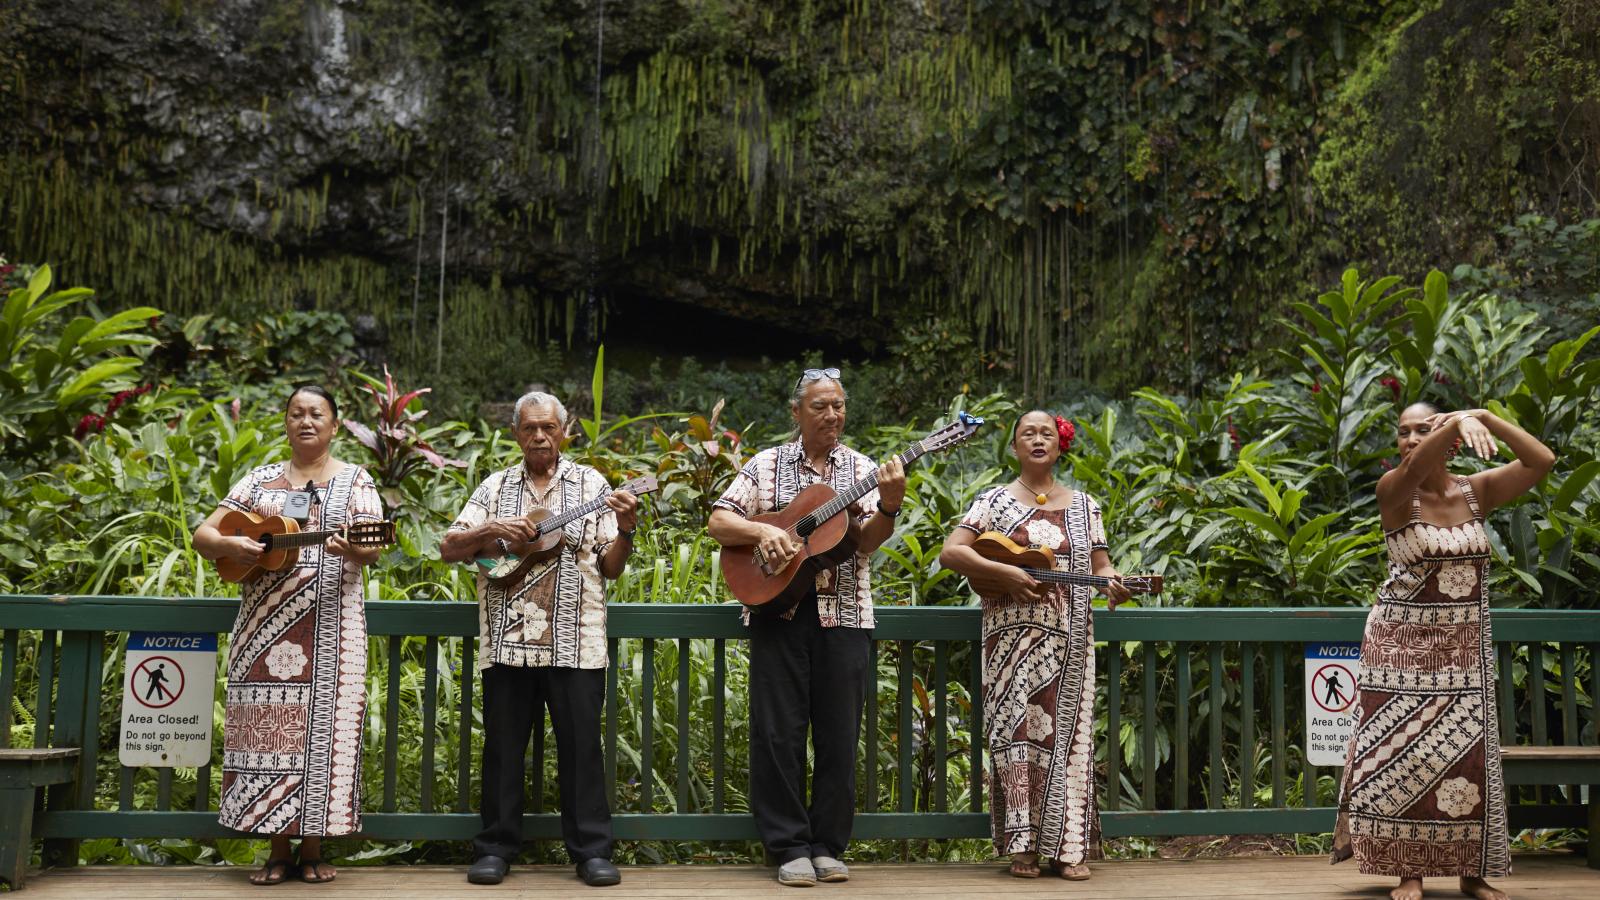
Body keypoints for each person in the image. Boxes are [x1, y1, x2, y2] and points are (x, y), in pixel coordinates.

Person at [1332, 402, 1555, 900]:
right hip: (1399, 647)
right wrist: (1453, 423)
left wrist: (1485, 416)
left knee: (1468, 762)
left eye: (1422, 429)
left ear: (1451, 441)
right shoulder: (1394, 491)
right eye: (1403, 432)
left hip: (1464, 647)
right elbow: (1413, 469)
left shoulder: (1476, 492)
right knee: (1402, 760)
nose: (1410, 439)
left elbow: (1542, 461)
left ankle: (1472, 873)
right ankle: (1408, 870)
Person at [706, 367, 906, 887]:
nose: (832, 415)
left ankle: (828, 845)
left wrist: (888, 503)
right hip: (778, 613)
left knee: (840, 735)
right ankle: (788, 846)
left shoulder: (862, 468)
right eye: (820, 406)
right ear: (796, 413)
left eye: (838, 405)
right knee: (778, 735)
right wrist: (762, 532)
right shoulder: (765, 464)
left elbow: (866, 543)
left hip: (846, 617)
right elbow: (719, 520)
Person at [440, 391, 639, 888]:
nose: (539, 436)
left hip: (577, 641)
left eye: (548, 427)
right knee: (504, 749)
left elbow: (610, 568)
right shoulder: (494, 487)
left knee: (581, 749)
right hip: (507, 643)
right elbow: (449, 548)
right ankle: (495, 848)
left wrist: (628, 530)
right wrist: (488, 526)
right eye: (529, 428)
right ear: (516, 433)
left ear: (565, 431)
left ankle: (591, 850)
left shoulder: (592, 484)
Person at [192, 385, 384, 886]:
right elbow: (203, 535)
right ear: (285, 422)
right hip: (262, 632)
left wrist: (354, 550)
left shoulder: (356, 481)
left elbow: (373, 550)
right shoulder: (258, 481)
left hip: (330, 632)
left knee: (323, 736)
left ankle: (315, 849)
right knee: (266, 737)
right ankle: (277, 852)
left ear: (334, 425)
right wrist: (233, 542)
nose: (306, 421)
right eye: (297, 413)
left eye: (316, 413)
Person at [938, 409, 1130, 880]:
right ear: (1015, 446)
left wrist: (1113, 582)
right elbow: (951, 552)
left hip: (1069, 643)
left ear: (1060, 444)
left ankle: (1068, 850)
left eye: (1047, 432)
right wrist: (1002, 572)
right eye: (1028, 433)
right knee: (1014, 738)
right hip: (1008, 644)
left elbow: (1101, 566)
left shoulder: (1085, 506)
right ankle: (1022, 847)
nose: (1038, 439)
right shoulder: (993, 501)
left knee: (1066, 741)